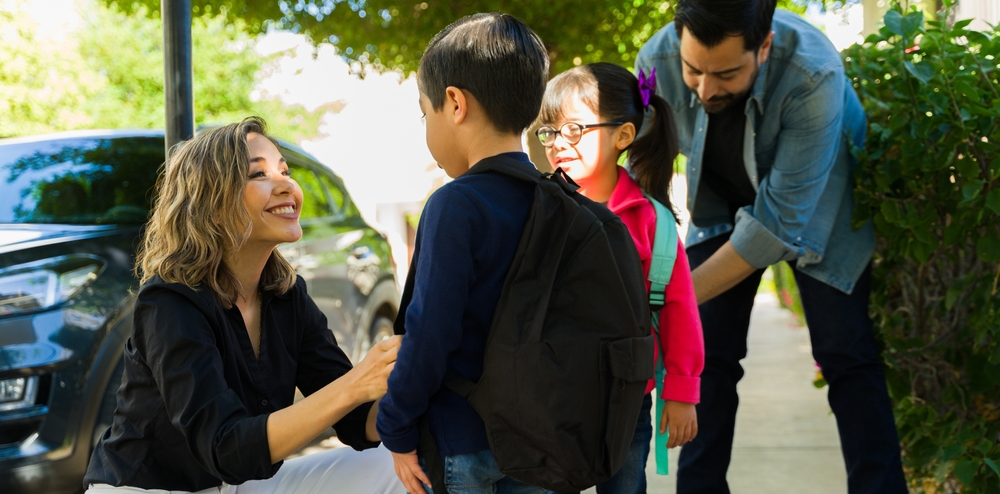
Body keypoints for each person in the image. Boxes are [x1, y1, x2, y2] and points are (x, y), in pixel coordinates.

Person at [635, 1, 907, 493]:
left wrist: (672, 297)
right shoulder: (654, 62)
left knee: (845, 353)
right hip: (719, 205)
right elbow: (644, 165)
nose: (705, 89)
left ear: (764, 47)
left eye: (726, 74)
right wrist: (642, 265)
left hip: (819, 201)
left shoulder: (814, 73)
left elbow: (777, 224)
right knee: (704, 355)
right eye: (693, 70)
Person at [83, 117, 405, 494]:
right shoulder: (170, 301)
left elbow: (357, 419)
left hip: (231, 484)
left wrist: (418, 384)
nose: (286, 185)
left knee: (399, 463)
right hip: (144, 490)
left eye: (284, 171)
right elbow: (224, 446)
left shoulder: (287, 297)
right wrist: (354, 384)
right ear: (212, 202)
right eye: (259, 174)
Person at [374, 12, 550, 494]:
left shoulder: (455, 204)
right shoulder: (559, 201)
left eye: (424, 113)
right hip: (543, 438)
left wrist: (396, 424)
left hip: (465, 439)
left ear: (454, 103)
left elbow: (431, 330)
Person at [534, 62, 705, 494]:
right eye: (549, 132)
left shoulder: (650, 222)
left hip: (626, 398)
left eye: (574, 129)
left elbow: (678, 310)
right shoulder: (540, 214)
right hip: (553, 396)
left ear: (623, 135)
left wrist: (681, 390)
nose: (557, 143)